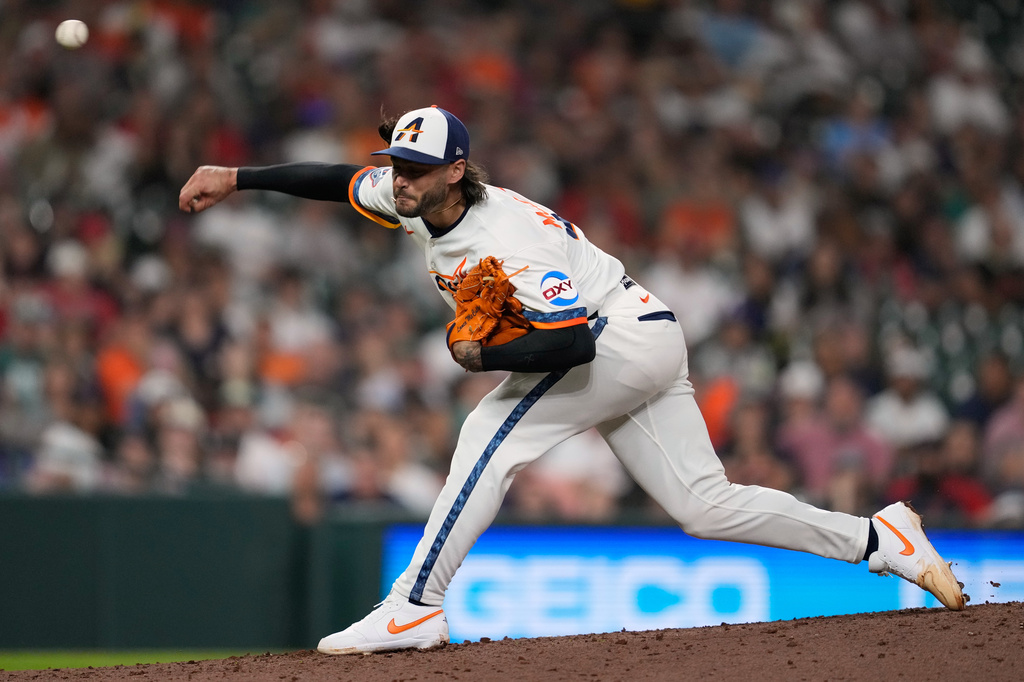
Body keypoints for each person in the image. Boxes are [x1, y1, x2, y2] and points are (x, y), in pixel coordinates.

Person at [179, 105, 965, 655]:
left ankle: (413, 607)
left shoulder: (504, 240)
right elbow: (336, 179)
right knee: (705, 506)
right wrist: (238, 175)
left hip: (614, 337)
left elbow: (572, 348)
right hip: (642, 332)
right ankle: (879, 538)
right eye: (398, 165)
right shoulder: (416, 195)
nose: (401, 180)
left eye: (417, 169)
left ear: (457, 170)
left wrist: (485, 360)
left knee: (489, 431)